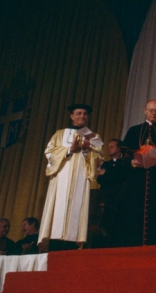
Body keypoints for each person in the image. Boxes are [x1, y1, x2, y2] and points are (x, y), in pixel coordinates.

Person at [38, 104, 103, 248]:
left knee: (77, 209)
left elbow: (99, 160)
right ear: (71, 116)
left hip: (80, 179)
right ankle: (54, 243)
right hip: (62, 177)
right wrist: (69, 150)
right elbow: (49, 153)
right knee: (58, 212)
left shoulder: (93, 137)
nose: (82, 116)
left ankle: (73, 243)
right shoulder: (60, 134)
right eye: (78, 113)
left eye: (85, 113)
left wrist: (87, 151)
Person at [118, 99, 156, 246]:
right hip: (137, 178)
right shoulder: (134, 130)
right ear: (145, 111)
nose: (154, 113)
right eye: (151, 110)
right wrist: (131, 162)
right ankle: (134, 242)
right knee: (135, 209)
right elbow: (125, 153)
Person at [96, 139, 130, 246]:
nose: (109, 149)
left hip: (118, 197)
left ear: (118, 148)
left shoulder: (124, 163)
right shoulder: (106, 164)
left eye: (112, 147)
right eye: (108, 147)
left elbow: (119, 178)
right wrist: (106, 175)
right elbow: (100, 180)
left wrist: (106, 174)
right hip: (105, 197)